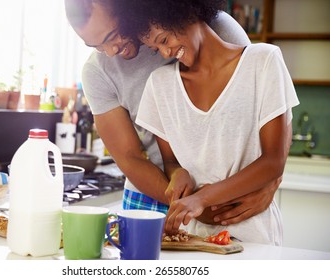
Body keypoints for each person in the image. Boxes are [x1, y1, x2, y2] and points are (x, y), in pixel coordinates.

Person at [64, 0, 282, 226]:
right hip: (151, 195)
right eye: (96, 46)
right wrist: (187, 202)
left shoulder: (216, 27)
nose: (110, 52)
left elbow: (265, 103)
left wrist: (270, 184)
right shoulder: (97, 72)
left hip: (221, 194)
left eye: (112, 36)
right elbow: (130, 157)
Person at [113, 0, 299, 245]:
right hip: (196, 238)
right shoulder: (161, 85)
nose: (166, 53)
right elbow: (170, 160)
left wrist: (202, 198)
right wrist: (177, 173)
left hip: (256, 235)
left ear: (186, 13)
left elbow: (274, 161)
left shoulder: (263, 62)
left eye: (164, 40)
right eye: (156, 49)